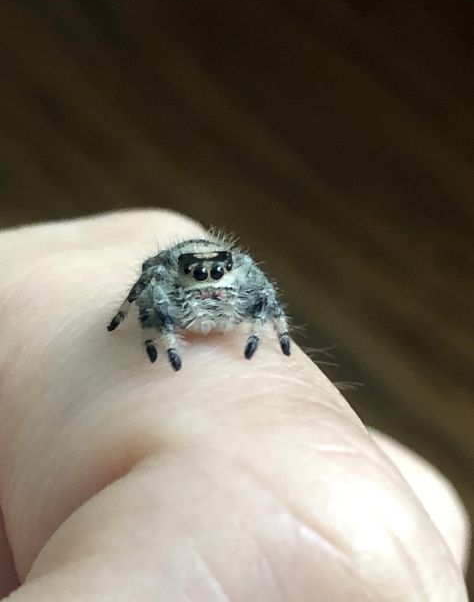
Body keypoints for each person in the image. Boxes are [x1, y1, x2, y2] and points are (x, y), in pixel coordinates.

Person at [0, 210, 469, 601]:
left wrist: (272, 336)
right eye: (198, 274)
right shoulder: (164, 277)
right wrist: (143, 326)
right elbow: (144, 289)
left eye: (218, 272)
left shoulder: (244, 278)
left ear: (231, 268)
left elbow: (265, 297)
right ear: (182, 272)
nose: (208, 282)